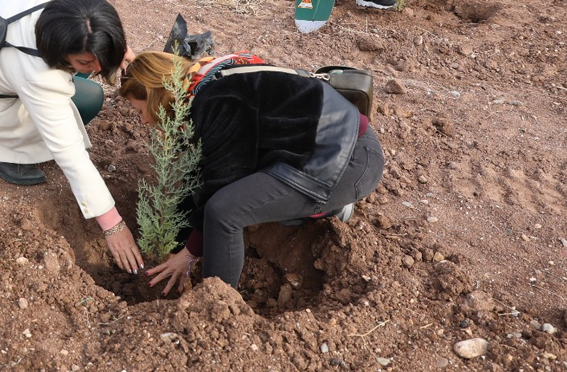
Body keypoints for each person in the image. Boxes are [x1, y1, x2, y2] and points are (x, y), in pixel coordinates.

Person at [118, 49, 385, 293]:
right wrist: (175, 245)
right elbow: (202, 173)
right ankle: (329, 208)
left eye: (140, 110)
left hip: (346, 162)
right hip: (328, 151)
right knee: (238, 198)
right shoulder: (206, 78)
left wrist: (188, 253)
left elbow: (221, 183)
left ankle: (216, 307)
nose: (143, 120)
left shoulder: (216, 100)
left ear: (156, 95)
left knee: (225, 212)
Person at [0, 0, 142, 274]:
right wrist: (113, 225)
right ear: (58, 50)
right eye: (85, 62)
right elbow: (69, 152)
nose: (99, 69)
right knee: (87, 100)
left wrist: (116, 48)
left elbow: (97, 32)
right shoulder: (38, 75)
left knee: (84, 90)